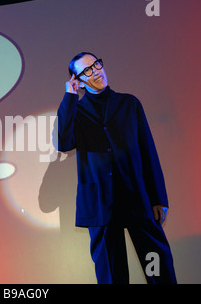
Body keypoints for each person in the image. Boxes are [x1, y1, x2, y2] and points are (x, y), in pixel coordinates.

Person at [55, 52, 177, 284]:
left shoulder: (129, 103)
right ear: (78, 81)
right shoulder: (76, 112)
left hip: (136, 197)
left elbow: (147, 150)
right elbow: (64, 142)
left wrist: (158, 197)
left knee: (157, 265)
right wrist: (69, 97)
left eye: (96, 64)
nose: (96, 70)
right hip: (100, 203)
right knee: (112, 274)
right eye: (87, 70)